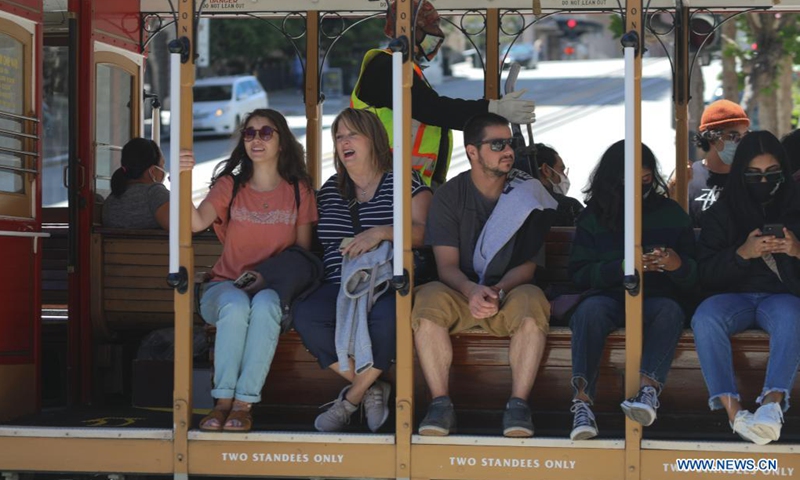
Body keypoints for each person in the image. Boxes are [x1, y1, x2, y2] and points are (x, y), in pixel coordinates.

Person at [411, 112, 556, 437]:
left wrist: (498, 291)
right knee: (427, 298)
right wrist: (471, 292)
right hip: (461, 292)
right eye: (498, 144)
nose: (508, 151)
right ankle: (440, 404)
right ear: (473, 152)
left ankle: (518, 406)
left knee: (534, 300)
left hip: (510, 293)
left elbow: (529, 266)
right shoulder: (449, 195)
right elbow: (446, 265)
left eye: (511, 144)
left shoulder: (526, 192)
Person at [292, 108, 432, 433]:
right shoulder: (329, 190)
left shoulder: (403, 181)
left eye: (352, 134)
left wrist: (381, 232)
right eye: (339, 136)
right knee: (307, 315)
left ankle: (349, 401)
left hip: (385, 282)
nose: (344, 142)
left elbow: (426, 232)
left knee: (386, 319)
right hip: (338, 282)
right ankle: (369, 387)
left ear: (373, 140)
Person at [182, 109, 318, 432]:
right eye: (249, 133)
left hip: (273, 291)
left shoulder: (300, 192)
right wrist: (181, 178)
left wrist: (268, 278)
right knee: (236, 302)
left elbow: (302, 255)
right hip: (223, 288)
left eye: (266, 132)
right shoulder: (230, 185)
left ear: (282, 141)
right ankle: (223, 401)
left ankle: (244, 403)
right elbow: (194, 222)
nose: (256, 139)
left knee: (266, 304)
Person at [568, 140, 696, 441]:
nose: (639, 188)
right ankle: (582, 403)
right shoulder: (594, 217)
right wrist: (623, 266)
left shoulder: (671, 214)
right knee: (589, 311)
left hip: (658, 299)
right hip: (608, 298)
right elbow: (578, 275)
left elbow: (697, 278)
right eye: (630, 180)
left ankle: (647, 391)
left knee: (670, 310)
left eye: (646, 180)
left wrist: (676, 264)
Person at [351, 0, 536, 188]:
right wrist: (492, 109)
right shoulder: (385, 66)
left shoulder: (405, 69)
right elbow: (432, 108)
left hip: (409, 184)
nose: (438, 33)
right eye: (432, 25)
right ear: (412, 28)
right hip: (387, 186)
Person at [692, 130, 800, 445]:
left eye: (771, 174)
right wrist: (742, 253)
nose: (763, 181)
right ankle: (734, 412)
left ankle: (772, 405)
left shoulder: (795, 207)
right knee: (705, 317)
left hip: (781, 297)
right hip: (732, 296)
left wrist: (795, 250)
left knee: (794, 315)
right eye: (753, 174)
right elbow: (705, 274)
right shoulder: (722, 213)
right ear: (741, 174)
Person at [681, 100, 750, 226]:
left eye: (745, 136)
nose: (741, 143)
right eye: (733, 136)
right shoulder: (689, 177)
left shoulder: (751, 176)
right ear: (712, 137)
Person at [102, 137, 170, 229]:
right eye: (162, 165)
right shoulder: (155, 194)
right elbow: (186, 228)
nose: (164, 170)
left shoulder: (111, 201)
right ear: (152, 171)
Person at [536, 143, 584, 226]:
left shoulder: (514, 201)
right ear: (546, 170)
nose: (564, 176)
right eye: (561, 170)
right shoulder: (570, 206)